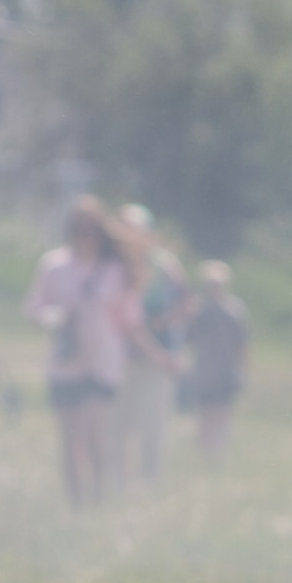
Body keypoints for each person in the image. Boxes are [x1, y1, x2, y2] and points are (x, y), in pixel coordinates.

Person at [23, 197, 140, 507]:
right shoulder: (54, 266)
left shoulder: (114, 271)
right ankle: (76, 503)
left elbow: (130, 318)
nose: (85, 237)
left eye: (91, 230)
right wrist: (52, 318)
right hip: (65, 363)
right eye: (79, 230)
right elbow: (33, 309)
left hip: (101, 364)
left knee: (92, 432)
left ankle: (98, 497)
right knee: (68, 438)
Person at [114, 204, 186, 489]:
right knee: (117, 422)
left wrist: (159, 324)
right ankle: (117, 480)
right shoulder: (112, 265)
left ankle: (149, 482)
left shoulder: (164, 265)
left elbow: (185, 304)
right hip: (122, 355)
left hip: (159, 355)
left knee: (153, 424)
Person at [186, 260, 250, 465]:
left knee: (222, 414)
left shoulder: (235, 310)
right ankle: (206, 455)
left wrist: (242, 370)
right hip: (205, 371)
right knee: (205, 414)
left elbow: (242, 343)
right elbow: (189, 338)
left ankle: (217, 456)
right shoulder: (198, 310)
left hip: (225, 371)